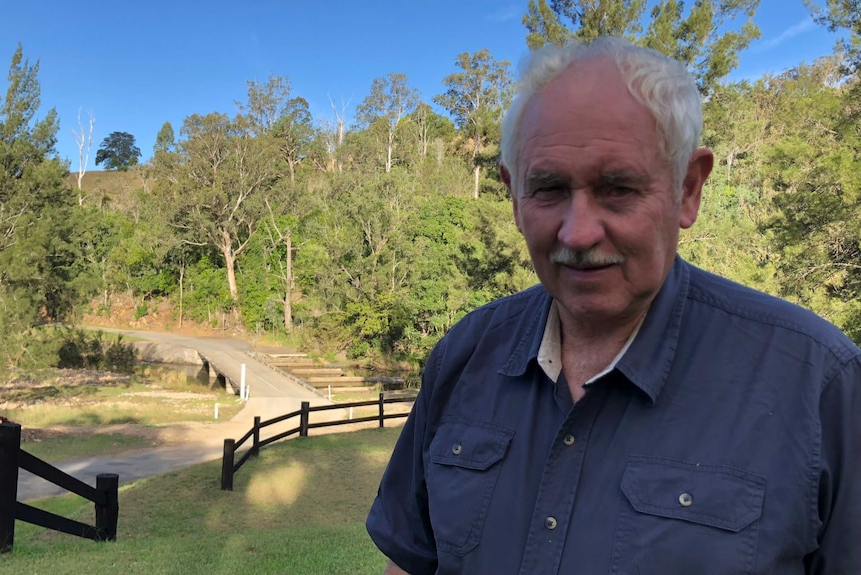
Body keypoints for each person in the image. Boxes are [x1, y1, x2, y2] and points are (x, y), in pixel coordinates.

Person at [365, 36, 860, 575]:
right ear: (512, 195)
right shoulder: (466, 355)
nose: (577, 232)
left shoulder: (818, 384)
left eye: (618, 188)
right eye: (549, 189)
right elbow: (413, 561)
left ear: (687, 189)